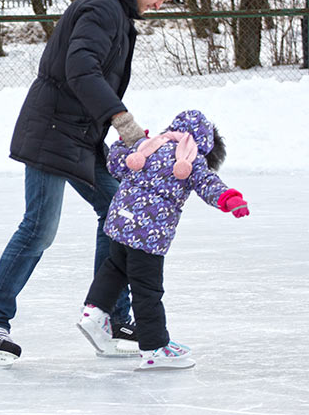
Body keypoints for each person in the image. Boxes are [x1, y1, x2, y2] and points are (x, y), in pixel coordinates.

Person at [0, 0, 182, 366]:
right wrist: (121, 119)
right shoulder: (103, 7)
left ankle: (110, 315)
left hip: (80, 134)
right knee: (38, 229)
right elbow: (80, 69)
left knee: (120, 212)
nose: (160, 4)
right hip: (53, 130)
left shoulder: (114, 10)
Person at [76, 110, 250, 371]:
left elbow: (116, 164)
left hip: (121, 220)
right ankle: (154, 348)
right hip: (149, 233)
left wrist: (124, 145)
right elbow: (208, 184)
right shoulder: (191, 159)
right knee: (147, 291)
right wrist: (229, 199)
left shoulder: (148, 146)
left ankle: (94, 311)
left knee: (114, 267)